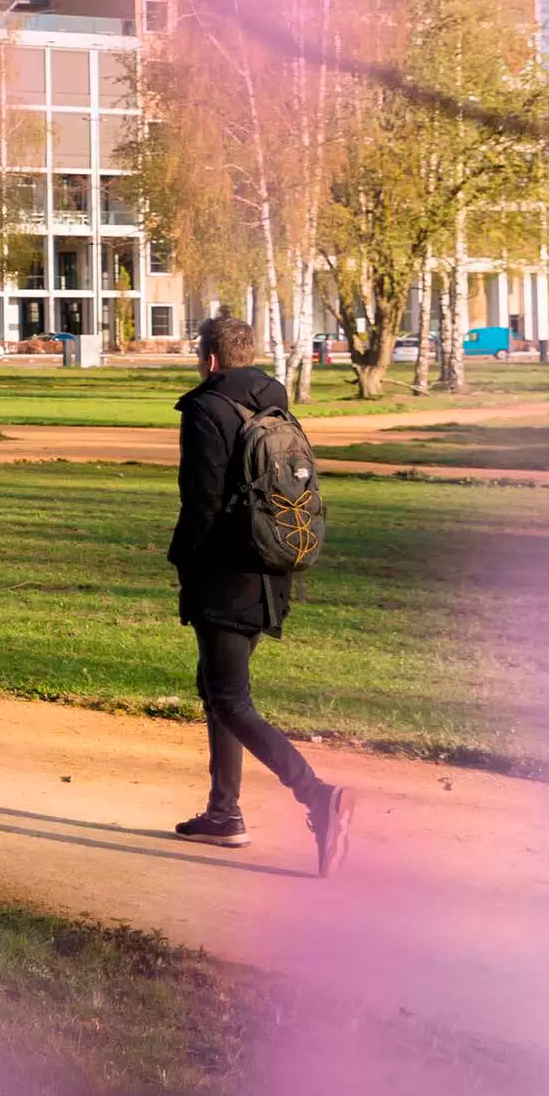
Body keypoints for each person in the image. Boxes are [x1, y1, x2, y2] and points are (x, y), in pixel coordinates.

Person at [169, 315, 355, 874]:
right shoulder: (275, 404)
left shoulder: (206, 407)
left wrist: (183, 560)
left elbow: (201, 501)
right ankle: (223, 813)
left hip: (224, 573)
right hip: (273, 567)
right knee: (219, 689)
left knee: (229, 699)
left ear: (209, 359)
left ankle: (317, 796)